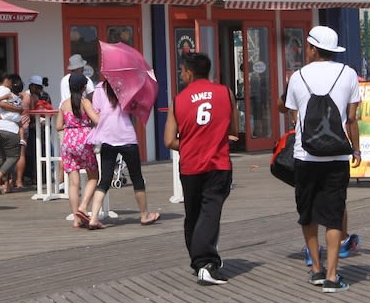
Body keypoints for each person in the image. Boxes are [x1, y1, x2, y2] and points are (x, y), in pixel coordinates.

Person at [283, 25, 361, 293]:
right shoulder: (348, 74)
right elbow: (351, 119)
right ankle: (332, 276)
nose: (306, 49)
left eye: (307, 46)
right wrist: (357, 150)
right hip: (337, 155)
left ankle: (315, 270)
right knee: (334, 215)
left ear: (314, 48)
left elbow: (294, 117)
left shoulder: (297, 77)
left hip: (305, 156)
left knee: (308, 214)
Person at [163, 52, 237, 285]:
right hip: (218, 163)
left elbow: (168, 141)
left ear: (189, 72)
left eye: (182, 70)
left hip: (191, 165)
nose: (181, 74)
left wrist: (190, 143)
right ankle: (205, 262)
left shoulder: (178, 100)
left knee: (193, 214)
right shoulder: (226, 93)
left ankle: (200, 262)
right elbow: (234, 129)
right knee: (210, 212)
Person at [85, 75, 160, 229]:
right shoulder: (127, 88)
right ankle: (144, 215)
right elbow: (134, 108)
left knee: (105, 179)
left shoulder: (99, 88)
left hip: (107, 136)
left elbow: (96, 111)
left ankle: (93, 218)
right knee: (136, 177)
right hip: (126, 136)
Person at [56, 73, 99, 229]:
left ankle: (76, 219)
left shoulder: (64, 104)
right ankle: (83, 206)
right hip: (84, 140)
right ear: (84, 87)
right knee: (94, 176)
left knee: (73, 183)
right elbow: (97, 120)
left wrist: (71, 126)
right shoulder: (85, 102)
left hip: (68, 141)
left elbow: (58, 126)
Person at [0, 74, 24, 194]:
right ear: (6, 80)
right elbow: (3, 104)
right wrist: (19, 109)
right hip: (9, 127)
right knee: (13, 156)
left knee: (4, 158)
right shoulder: (8, 92)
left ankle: (7, 185)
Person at [17, 76, 51, 189]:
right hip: (27, 128)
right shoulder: (24, 96)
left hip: (39, 128)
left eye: (40, 87)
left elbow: (48, 110)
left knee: (40, 152)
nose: (39, 89)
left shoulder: (44, 95)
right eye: (37, 87)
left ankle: (38, 177)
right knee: (26, 154)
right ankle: (23, 178)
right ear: (31, 86)